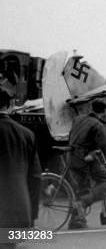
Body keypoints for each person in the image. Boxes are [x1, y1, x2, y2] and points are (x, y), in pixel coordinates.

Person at [67, 99, 106, 229]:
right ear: (104, 112)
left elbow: (74, 137)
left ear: (91, 108)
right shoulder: (98, 125)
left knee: (82, 188)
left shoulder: (78, 119)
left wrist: (92, 151)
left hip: (71, 156)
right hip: (84, 159)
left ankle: (77, 221)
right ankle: (83, 203)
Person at [0, 86, 41, 247]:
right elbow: (35, 178)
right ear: (10, 105)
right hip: (17, 212)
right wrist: (32, 215)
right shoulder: (26, 134)